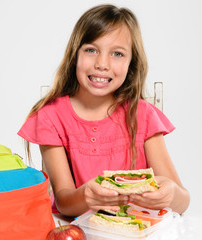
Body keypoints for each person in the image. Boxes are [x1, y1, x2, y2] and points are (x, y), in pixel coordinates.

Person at [18, 4, 190, 217]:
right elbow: (64, 202)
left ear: (131, 64)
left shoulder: (143, 115)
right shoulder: (51, 117)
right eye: (91, 50)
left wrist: (171, 194)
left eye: (117, 54)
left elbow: (182, 201)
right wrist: (86, 196)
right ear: (75, 55)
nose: (102, 63)